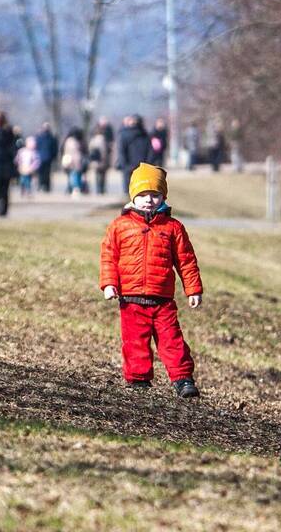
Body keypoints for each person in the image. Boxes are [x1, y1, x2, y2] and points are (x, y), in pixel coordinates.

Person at [99, 163, 203, 398]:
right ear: (133, 196)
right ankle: (138, 381)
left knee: (172, 341)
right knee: (134, 342)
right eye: (143, 195)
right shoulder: (120, 226)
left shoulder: (173, 227)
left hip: (163, 300)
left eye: (155, 195)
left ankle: (183, 379)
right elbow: (108, 257)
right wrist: (109, 284)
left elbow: (186, 260)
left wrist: (193, 289)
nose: (149, 200)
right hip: (131, 298)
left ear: (163, 196)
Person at [117, 114, 156, 195]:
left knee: (131, 192)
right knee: (140, 191)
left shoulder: (124, 134)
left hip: (131, 167)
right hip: (141, 166)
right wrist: (148, 164)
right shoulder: (145, 135)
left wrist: (125, 165)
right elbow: (151, 151)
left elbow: (121, 152)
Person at [89, 118, 113, 195]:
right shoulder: (103, 139)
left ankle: (98, 189)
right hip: (102, 160)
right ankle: (101, 190)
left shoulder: (93, 139)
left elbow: (90, 149)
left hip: (95, 160)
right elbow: (104, 151)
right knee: (103, 175)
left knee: (97, 175)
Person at [62, 128, 87, 197]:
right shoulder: (79, 141)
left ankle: (74, 188)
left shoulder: (68, 141)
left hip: (71, 161)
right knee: (75, 175)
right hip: (75, 161)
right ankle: (75, 188)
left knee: (74, 175)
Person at [34, 123, 58, 193]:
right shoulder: (52, 138)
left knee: (42, 173)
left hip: (42, 157)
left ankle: (42, 185)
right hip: (47, 157)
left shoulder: (39, 137)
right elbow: (55, 149)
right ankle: (45, 186)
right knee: (46, 173)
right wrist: (54, 157)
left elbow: (36, 147)